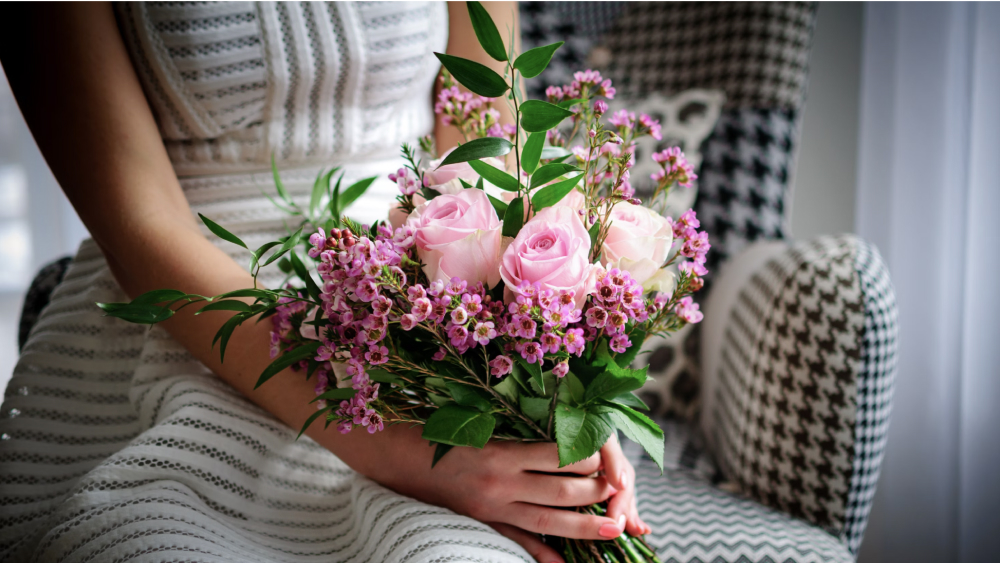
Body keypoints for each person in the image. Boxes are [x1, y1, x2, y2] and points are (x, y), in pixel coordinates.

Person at [0, 3, 648, 562]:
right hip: (189, 334)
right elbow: (142, 227)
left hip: (420, 317)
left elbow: (483, 153)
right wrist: (399, 452)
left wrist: (553, 399)